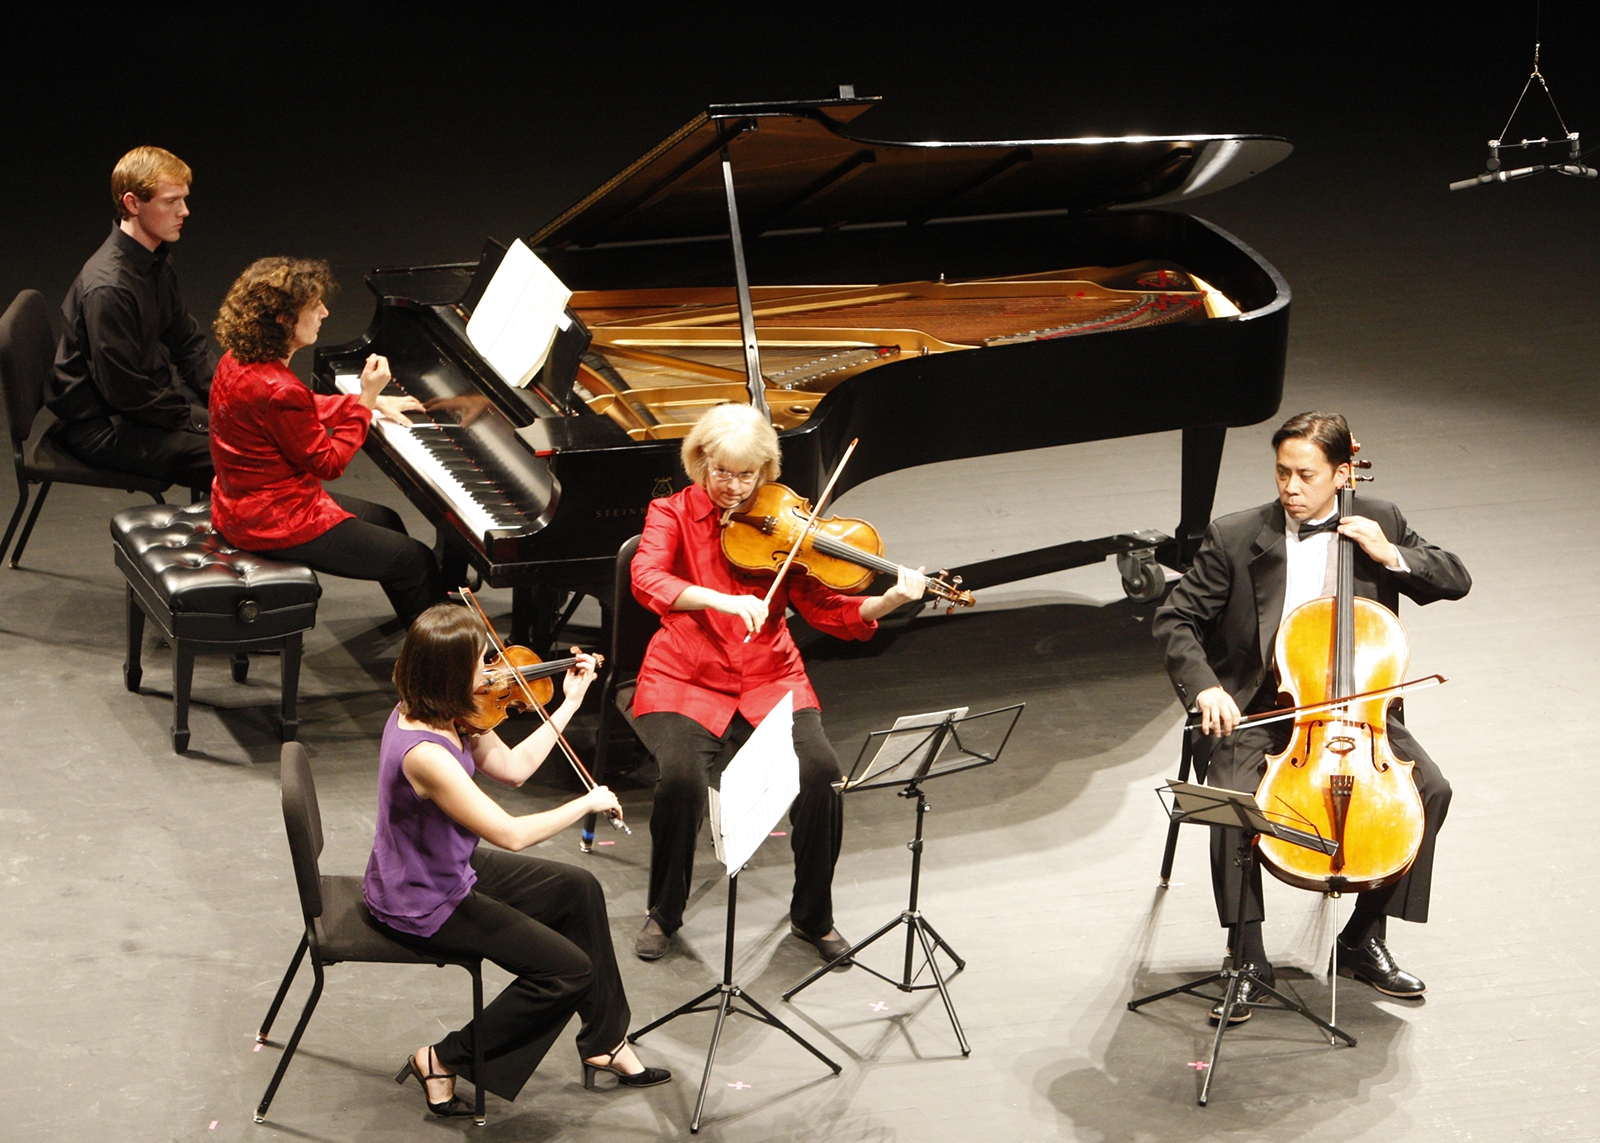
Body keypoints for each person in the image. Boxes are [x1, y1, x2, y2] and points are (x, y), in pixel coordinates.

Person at [1152, 411, 1470, 1019]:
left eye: (1305, 475)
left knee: (1430, 790)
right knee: (1233, 802)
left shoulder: (1382, 520)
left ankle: (1361, 939)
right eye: (1281, 473)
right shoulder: (1236, 535)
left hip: (1354, 709)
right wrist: (1206, 691)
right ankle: (1246, 957)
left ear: (1342, 474)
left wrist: (1391, 553)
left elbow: (1455, 579)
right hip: (1254, 706)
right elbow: (1176, 618)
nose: (1290, 488)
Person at [628, 403, 928, 963]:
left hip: (771, 675)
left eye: (747, 475)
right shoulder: (668, 513)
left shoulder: (783, 522)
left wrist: (886, 601)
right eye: (722, 471)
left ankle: (813, 917)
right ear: (700, 462)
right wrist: (718, 597)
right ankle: (663, 913)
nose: (734, 488)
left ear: (763, 473)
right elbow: (647, 577)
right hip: (686, 676)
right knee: (682, 783)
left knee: (821, 775)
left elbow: (824, 606)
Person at [364, 603, 669, 1115]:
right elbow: (510, 835)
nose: (493, 674)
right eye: (480, 666)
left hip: (449, 867)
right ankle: (441, 1058)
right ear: (446, 675)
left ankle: (604, 1042)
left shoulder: (449, 711)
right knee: (565, 973)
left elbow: (514, 769)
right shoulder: (426, 753)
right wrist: (585, 803)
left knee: (579, 889)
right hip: (422, 897)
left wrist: (568, 703)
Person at [208, 257, 443, 625]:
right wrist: (365, 400)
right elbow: (329, 463)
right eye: (314, 306)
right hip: (275, 522)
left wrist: (369, 401)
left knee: (388, 520)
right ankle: (446, 666)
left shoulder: (237, 360)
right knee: (415, 560)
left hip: (239, 504)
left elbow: (293, 411)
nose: (325, 312)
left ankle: (422, 627)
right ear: (285, 319)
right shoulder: (280, 388)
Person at [47, 145, 215, 493]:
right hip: (108, 427)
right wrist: (202, 421)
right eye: (171, 201)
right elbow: (126, 393)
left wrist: (223, 396)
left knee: (256, 432)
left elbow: (185, 340)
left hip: (148, 404)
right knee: (246, 457)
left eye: (184, 199)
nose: (184, 211)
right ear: (132, 203)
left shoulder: (155, 260)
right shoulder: (109, 289)